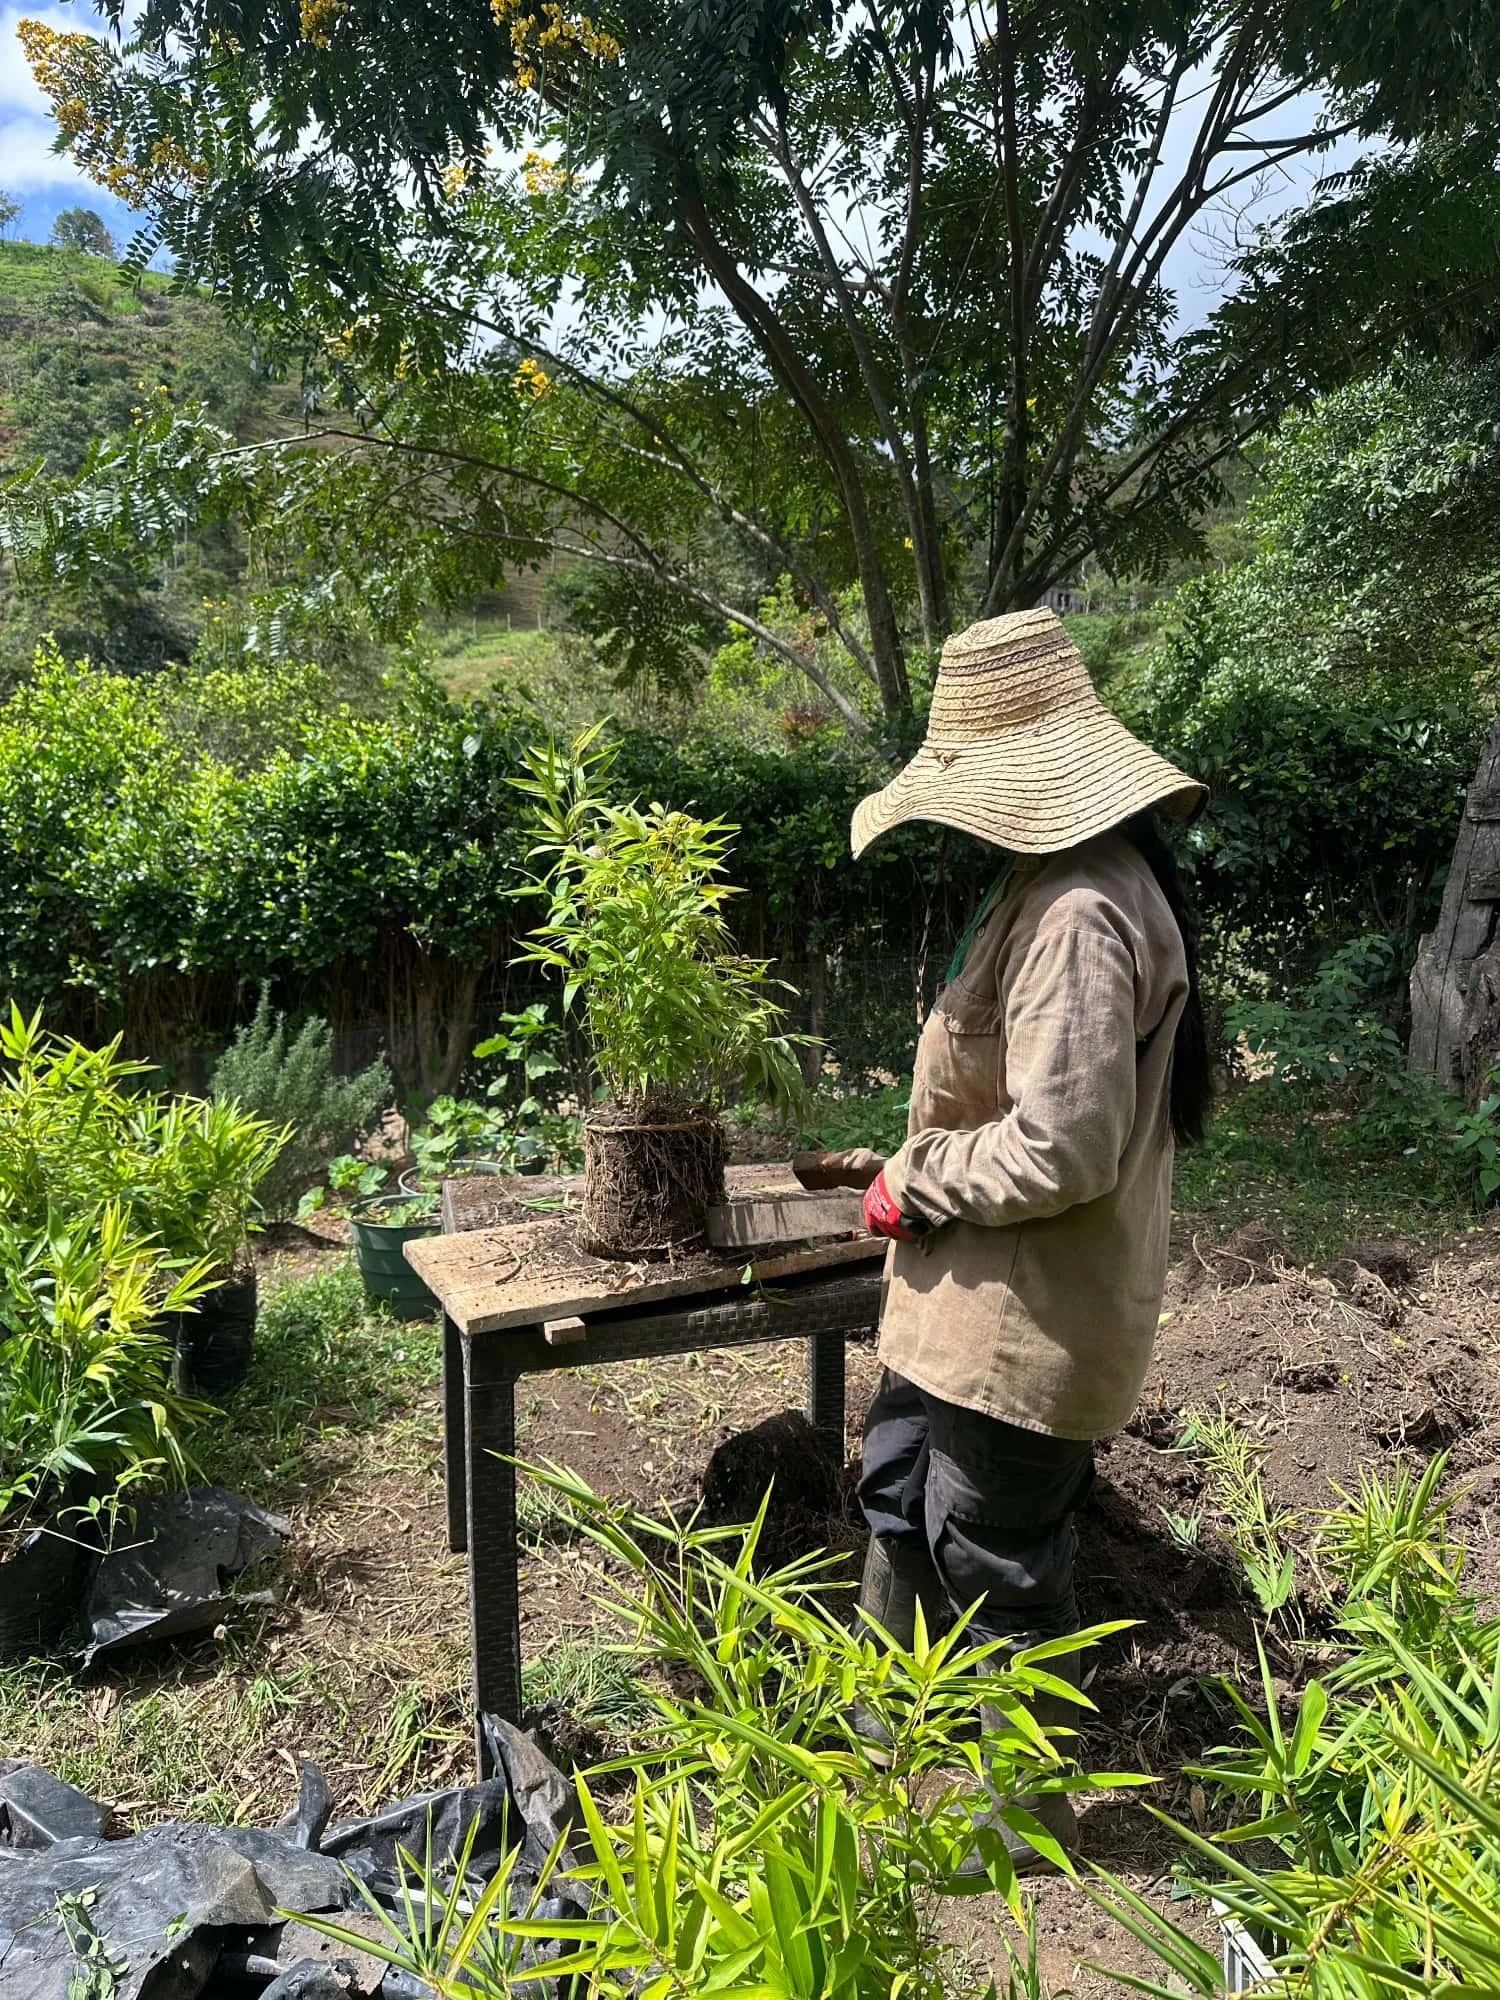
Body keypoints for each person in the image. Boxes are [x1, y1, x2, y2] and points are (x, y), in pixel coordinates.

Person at [847, 606, 1212, 1873]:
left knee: (999, 1568)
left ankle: (1019, 1834)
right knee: (897, 1493)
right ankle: (882, 1751)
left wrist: (917, 1171)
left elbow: (1062, 1145)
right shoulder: (1047, 880)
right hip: (960, 1306)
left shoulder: (1077, 912)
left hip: (1028, 1320)